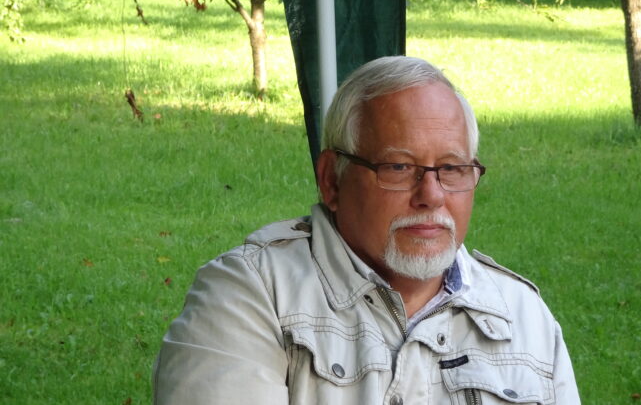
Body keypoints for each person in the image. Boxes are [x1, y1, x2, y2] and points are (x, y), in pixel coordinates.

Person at [152, 56, 581, 404]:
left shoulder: (522, 316)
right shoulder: (250, 297)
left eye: (451, 169)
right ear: (332, 181)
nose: (431, 195)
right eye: (399, 167)